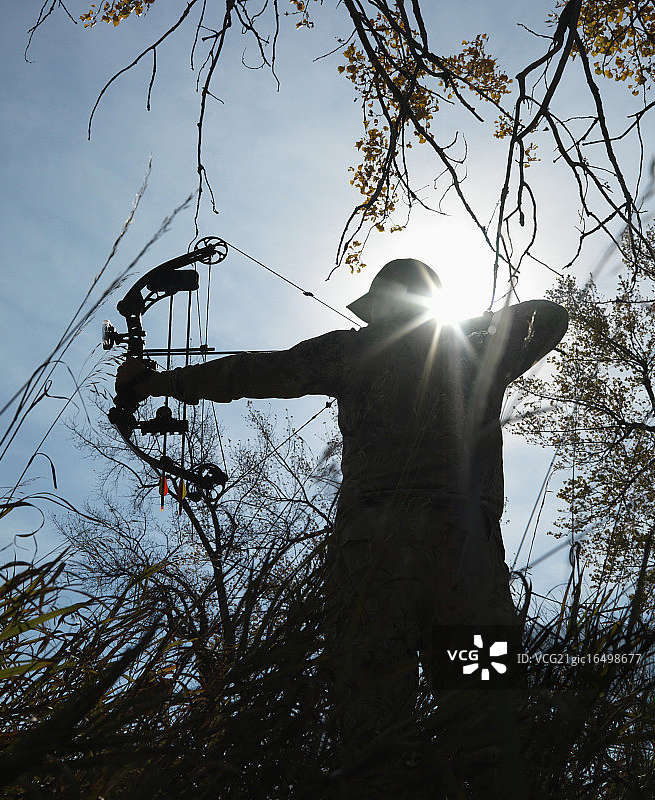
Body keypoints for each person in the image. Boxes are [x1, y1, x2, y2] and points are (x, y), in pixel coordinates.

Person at [113, 258, 569, 797]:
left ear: (380, 308)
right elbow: (546, 319)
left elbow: (255, 372)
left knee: (384, 719)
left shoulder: (365, 350)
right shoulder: (473, 350)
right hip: (460, 547)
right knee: (477, 716)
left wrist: (157, 382)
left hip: (380, 545)